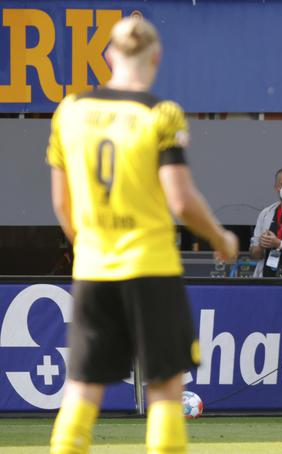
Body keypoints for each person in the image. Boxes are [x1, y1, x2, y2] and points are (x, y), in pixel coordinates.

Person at [47, 17, 239, 454]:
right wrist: (220, 237)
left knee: (81, 388)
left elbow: (62, 205)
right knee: (166, 390)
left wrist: (91, 246)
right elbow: (181, 200)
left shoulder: (70, 111)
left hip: (94, 268)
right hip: (151, 267)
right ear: (156, 57)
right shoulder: (160, 113)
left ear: (109, 55)